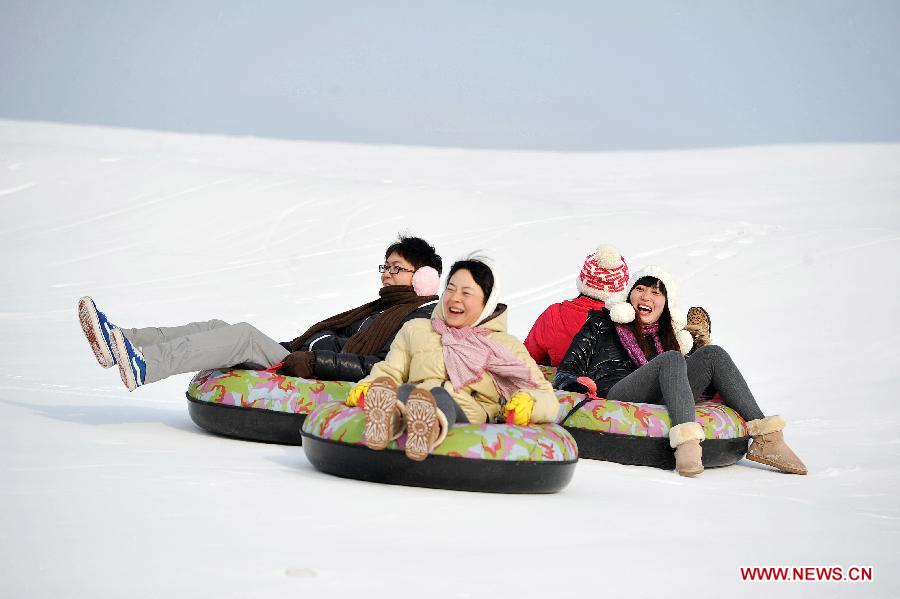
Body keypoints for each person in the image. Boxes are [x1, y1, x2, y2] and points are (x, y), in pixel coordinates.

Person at [78, 235, 443, 390]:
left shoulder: (416, 318)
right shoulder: (379, 308)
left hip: (321, 376)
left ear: (424, 278)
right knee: (220, 327)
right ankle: (121, 342)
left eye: (396, 268)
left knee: (244, 335)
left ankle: (145, 366)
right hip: (307, 360)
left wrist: (314, 362)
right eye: (385, 266)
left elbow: (378, 366)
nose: (385, 274)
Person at [554, 264, 807, 477]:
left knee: (712, 354)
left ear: (665, 303)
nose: (646, 297)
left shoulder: (669, 337)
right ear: (628, 297)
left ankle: (769, 440)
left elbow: (682, 382)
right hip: (619, 390)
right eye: (639, 289)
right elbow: (568, 368)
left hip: (662, 392)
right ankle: (687, 444)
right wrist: (578, 384)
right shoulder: (601, 324)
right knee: (672, 359)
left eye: (656, 292)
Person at [344, 258, 560, 461]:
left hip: (471, 410)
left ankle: (428, 429)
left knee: (438, 395)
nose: (455, 298)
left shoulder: (505, 345)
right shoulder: (416, 329)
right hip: (416, 398)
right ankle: (388, 422)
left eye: (466, 293)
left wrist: (530, 404)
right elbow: (390, 371)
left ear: (486, 303)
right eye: (450, 289)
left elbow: (545, 395)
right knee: (406, 392)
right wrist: (368, 386)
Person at [524, 244, 629, 366]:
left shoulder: (554, 314)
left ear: (583, 280)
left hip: (560, 383)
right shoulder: (627, 322)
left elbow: (525, 360)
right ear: (621, 289)